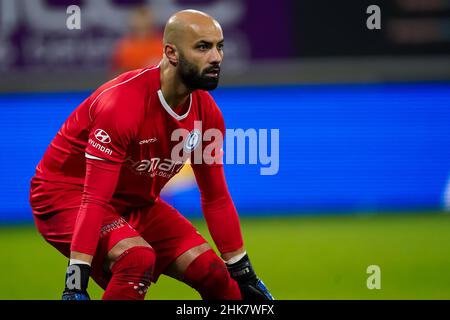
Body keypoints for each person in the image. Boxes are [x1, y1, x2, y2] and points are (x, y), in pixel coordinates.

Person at [29, 9, 274, 301]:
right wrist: (75, 282)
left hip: (134, 201)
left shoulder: (208, 115)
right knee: (136, 258)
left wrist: (242, 270)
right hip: (65, 196)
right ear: (171, 52)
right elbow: (94, 198)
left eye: (219, 46)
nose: (216, 57)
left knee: (214, 273)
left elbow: (215, 196)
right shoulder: (122, 105)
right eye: (203, 47)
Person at [110, 5, 164, 76]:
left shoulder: (162, 44)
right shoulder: (123, 48)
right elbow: (116, 75)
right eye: (139, 28)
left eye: (146, 27)